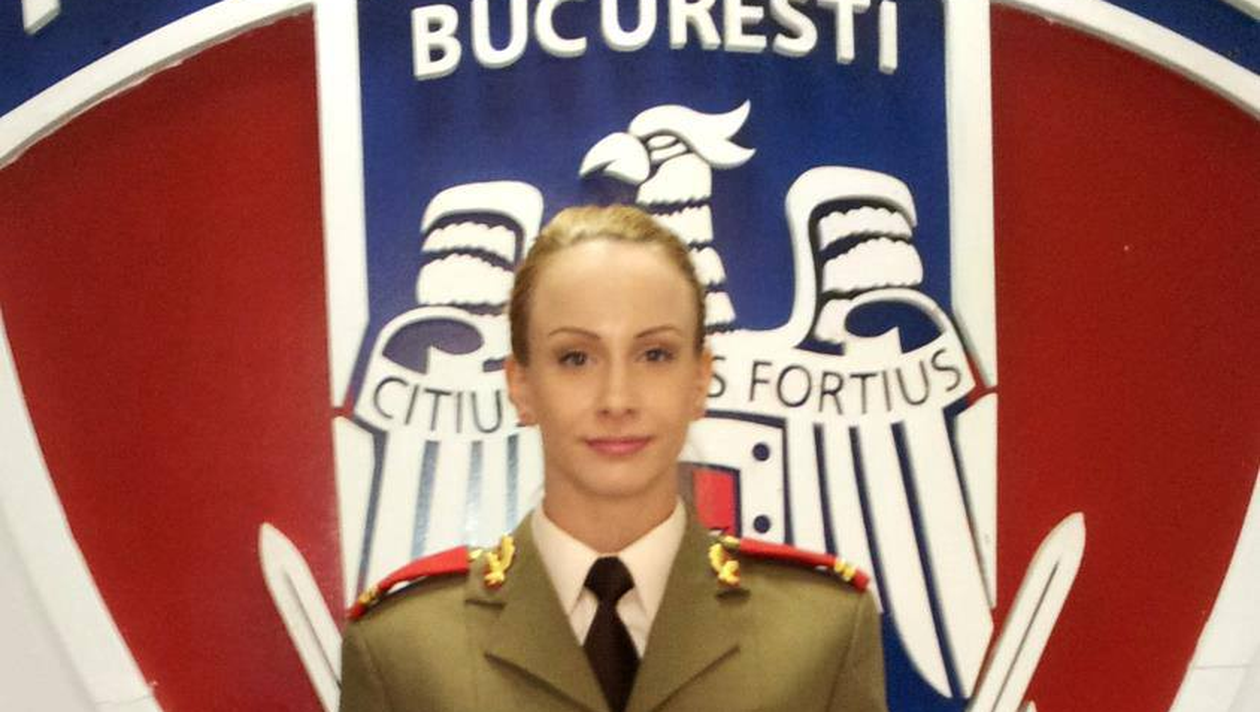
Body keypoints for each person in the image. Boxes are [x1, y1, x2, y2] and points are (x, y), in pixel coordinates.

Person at [339, 205, 887, 712]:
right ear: (521, 385)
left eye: (655, 354)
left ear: (700, 381)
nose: (617, 400)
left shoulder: (818, 631)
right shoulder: (406, 649)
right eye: (576, 357)